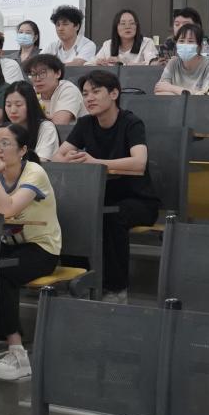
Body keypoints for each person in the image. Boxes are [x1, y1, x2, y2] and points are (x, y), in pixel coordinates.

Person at [53, 71, 159, 304]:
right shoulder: (85, 123)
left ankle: (116, 289)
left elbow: (139, 162)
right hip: (101, 198)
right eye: (85, 94)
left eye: (96, 91)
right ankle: (80, 281)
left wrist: (96, 162)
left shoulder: (131, 123)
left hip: (138, 200)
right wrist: (70, 158)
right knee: (73, 213)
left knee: (111, 217)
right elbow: (57, 156)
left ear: (114, 94)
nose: (89, 98)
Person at [0, 123, 61, 381]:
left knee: (2, 271)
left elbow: (7, 209)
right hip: (8, 244)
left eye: (5, 143)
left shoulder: (34, 173)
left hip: (42, 248)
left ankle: (17, 353)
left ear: (22, 150)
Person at [0, 81, 60, 162]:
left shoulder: (46, 128)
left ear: (31, 105)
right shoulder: (4, 129)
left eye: (18, 105)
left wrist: (1, 158)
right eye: (8, 105)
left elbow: (41, 162)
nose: (13, 110)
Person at [154, 22, 209, 94]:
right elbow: (159, 91)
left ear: (199, 46)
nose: (185, 44)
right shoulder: (173, 63)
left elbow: (207, 95)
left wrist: (171, 88)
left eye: (190, 41)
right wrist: (193, 94)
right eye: (181, 41)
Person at [24, 54, 86, 125]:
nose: (37, 79)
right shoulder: (31, 92)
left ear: (58, 73)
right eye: (33, 74)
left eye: (42, 73)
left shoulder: (68, 90)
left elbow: (59, 123)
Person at [92, 8, 158, 66]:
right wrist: (98, 62)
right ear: (116, 27)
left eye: (132, 23)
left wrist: (123, 64)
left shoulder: (146, 43)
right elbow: (90, 63)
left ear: (136, 27)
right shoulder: (108, 44)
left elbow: (152, 64)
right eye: (123, 24)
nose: (127, 27)